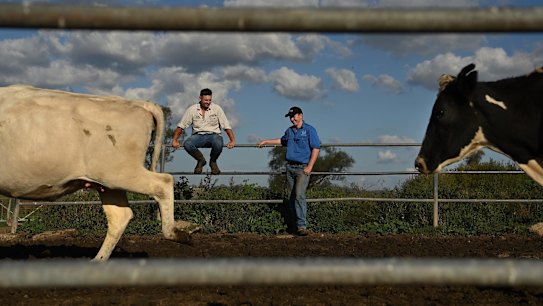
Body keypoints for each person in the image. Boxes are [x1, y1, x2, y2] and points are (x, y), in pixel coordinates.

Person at [257, 106, 320, 236]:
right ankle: (293, 226)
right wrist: (267, 141)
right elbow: (282, 140)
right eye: (291, 117)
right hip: (290, 167)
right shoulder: (290, 131)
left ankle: (301, 226)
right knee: (292, 197)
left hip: (303, 167)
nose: (292, 119)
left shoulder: (309, 130)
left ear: (301, 115)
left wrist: (310, 166)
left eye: (294, 116)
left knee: (299, 195)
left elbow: (316, 148)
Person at [172, 88, 236, 175]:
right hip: (198, 136)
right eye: (206, 100)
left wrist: (232, 140)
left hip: (214, 135)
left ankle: (213, 162)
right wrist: (175, 140)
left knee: (218, 143)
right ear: (200, 98)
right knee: (187, 143)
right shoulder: (192, 109)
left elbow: (226, 125)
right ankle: (201, 160)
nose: (208, 102)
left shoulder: (217, 109)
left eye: (210, 100)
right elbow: (181, 125)